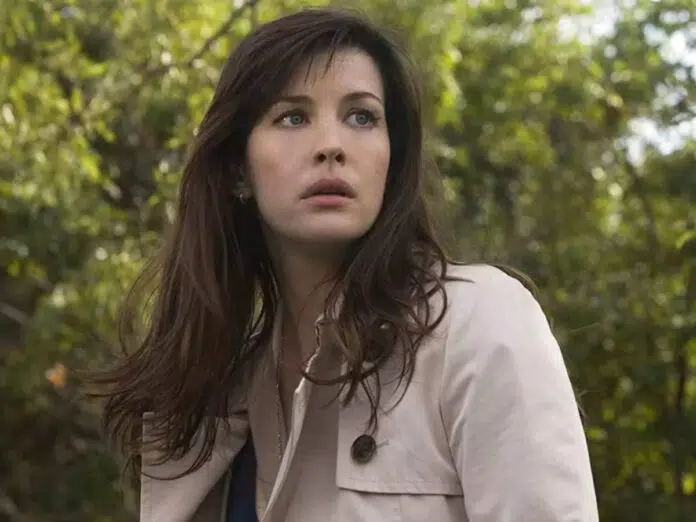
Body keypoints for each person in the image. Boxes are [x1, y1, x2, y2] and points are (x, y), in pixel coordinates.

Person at [94, 7, 599, 522]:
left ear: (390, 159)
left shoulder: (476, 324)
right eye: (293, 117)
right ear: (237, 170)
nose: (332, 146)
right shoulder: (214, 400)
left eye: (362, 117)